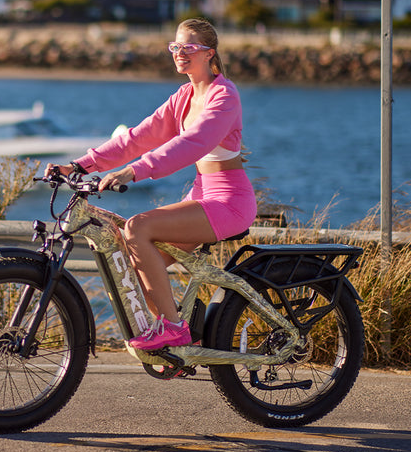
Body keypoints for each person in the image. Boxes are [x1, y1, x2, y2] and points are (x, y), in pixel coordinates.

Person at [46, 18, 257, 351]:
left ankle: (173, 328)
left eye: (189, 47)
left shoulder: (224, 95)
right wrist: (80, 165)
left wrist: (135, 172)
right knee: (140, 259)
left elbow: (194, 143)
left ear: (209, 54)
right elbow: (137, 138)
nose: (180, 53)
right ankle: (171, 346)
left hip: (229, 203)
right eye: (175, 46)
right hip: (201, 197)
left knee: (138, 227)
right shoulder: (185, 96)